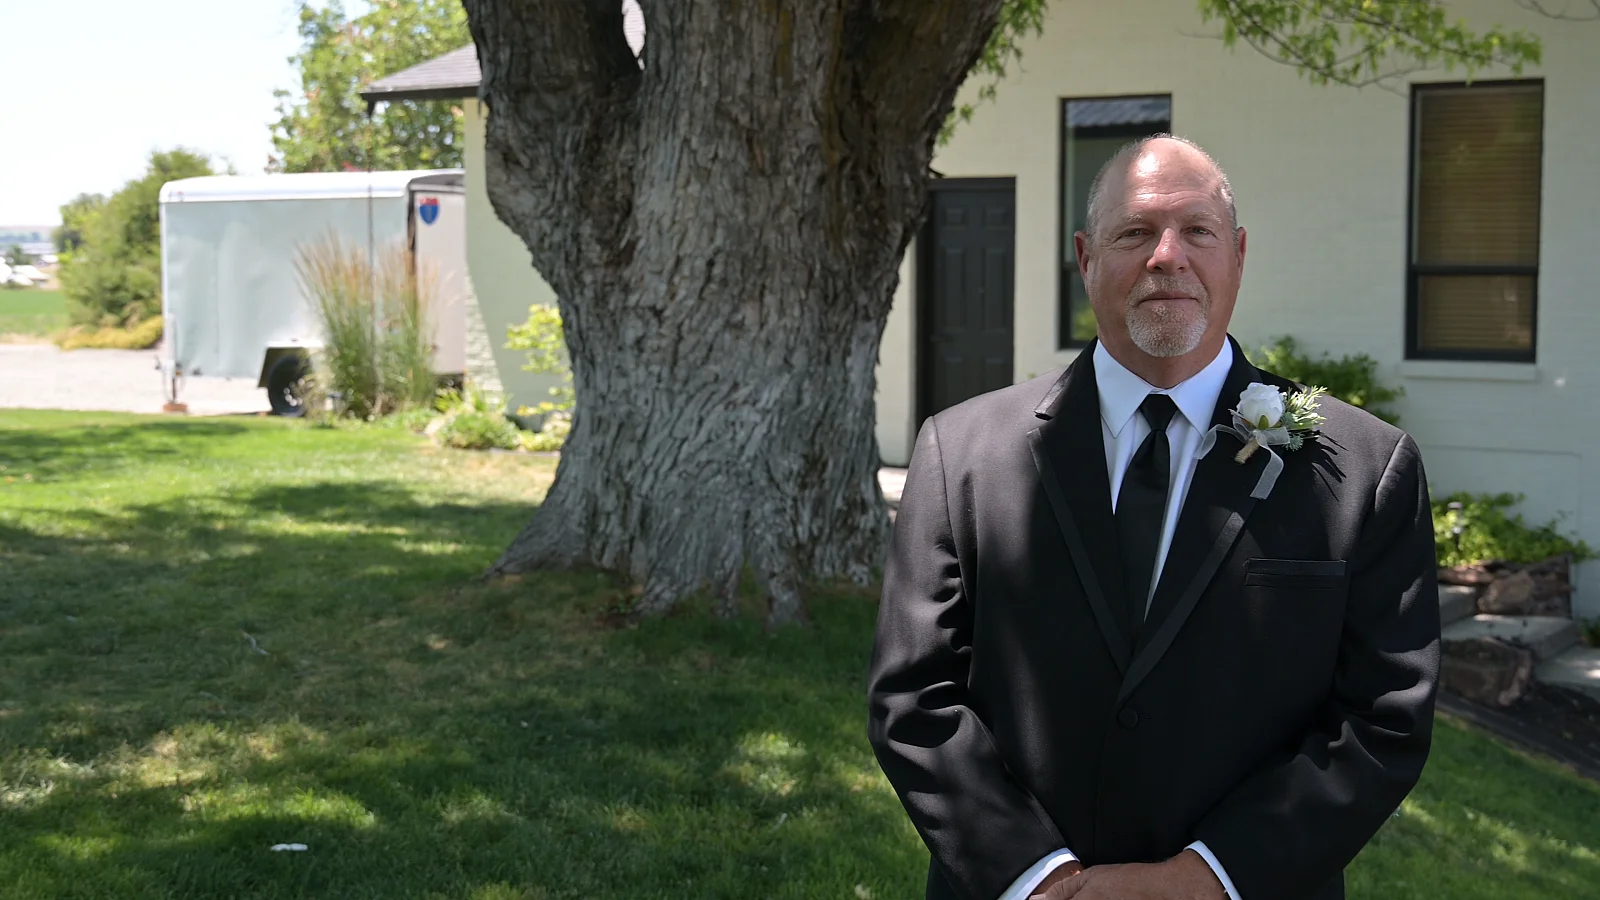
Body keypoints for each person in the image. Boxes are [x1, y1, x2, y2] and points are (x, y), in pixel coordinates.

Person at [866, 136, 1439, 900]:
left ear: (1238, 255)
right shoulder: (960, 453)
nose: (1167, 257)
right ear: (1085, 258)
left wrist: (1207, 878)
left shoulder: (1366, 469)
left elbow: (1384, 719)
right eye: (1135, 232)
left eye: (1197, 230)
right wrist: (1035, 879)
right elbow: (914, 699)